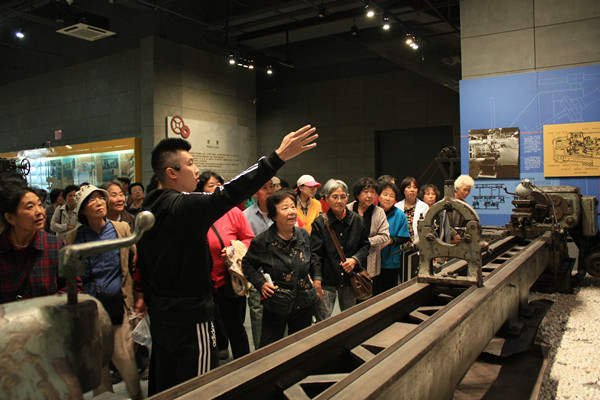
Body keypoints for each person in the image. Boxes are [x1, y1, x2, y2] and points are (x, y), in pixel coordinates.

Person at [137, 124, 317, 395]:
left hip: (162, 313)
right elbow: (231, 192)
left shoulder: (150, 206)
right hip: (190, 314)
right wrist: (277, 157)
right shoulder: (181, 206)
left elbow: (144, 264)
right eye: (190, 163)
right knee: (199, 388)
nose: (196, 170)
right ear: (171, 172)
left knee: (166, 384)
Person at [65, 185, 143, 400]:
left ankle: (137, 396)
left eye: (101, 198)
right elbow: (72, 276)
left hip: (118, 303)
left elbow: (135, 263)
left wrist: (140, 296)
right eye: (92, 200)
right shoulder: (73, 237)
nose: (99, 202)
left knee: (125, 359)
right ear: (82, 209)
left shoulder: (121, 229)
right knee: (98, 366)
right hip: (89, 310)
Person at [243, 189, 318, 347]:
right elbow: (247, 265)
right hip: (277, 303)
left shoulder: (303, 235)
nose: (291, 212)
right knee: (270, 348)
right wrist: (261, 283)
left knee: (301, 346)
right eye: (285, 208)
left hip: (304, 302)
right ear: (274, 215)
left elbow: (313, 259)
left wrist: (317, 279)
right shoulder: (262, 241)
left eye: (293, 207)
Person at [200, 170, 253, 360]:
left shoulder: (233, 212)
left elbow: (248, 238)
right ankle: (217, 355)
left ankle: (243, 362)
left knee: (235, 324)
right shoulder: (197, 213)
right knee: (209, 325)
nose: (217, 189)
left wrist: (233, 249)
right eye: (211, 186)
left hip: (230, 279)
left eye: (219, 185)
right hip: (204, 281)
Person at [310, 179, 370, 321]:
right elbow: (315, 254)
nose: (339, 201)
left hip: (350, 279)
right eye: (335, 197)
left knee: (349, 319)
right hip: (327, 279)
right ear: (327, 199)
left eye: (343, 197)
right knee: (323, 320)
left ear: (347, 198)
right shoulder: (319, 223)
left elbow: (365, 245)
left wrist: (354, 260)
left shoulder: (357, 220)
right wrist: (317, 279)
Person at [0, 184, 66, 304]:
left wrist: (49, 308)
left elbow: (71, 287)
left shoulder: (55, 245)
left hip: (49, 314)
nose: (40, 211)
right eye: (30, 207)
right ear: (10, 218)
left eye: (40, 205)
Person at [243, 179, 275, 348]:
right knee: (258, 317)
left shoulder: (280, 211)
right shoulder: (246, 216)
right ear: (256, 192)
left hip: (280, 273)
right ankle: (259, 354)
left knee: (280, 316)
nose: (270, 191)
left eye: (272, 187)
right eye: (264, 187)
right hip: (257, 275)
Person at [347, 177, 389, 294]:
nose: (370, 195)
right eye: (366, 192)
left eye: (373, 192)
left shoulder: (379, 212)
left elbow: (385, 236)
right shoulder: (348, 209)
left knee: (369, 294)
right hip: (350, 260)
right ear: (357, 194)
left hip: (371, 259)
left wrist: (366, 242)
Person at [377, 181, 411, 293]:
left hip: (390, 261)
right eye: (385, 194)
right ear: (378, 196)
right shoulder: (372, 212)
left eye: (392, 196)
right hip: (372, 261)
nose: (388, 198)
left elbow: (405, 237)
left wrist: (390, 241)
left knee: (388, 292)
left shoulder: (400, 215)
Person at [395, 177, 429, 244]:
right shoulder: (397, 207)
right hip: (401, 244)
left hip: (419, 244)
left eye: (415, 187)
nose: (412, 190)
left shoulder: (424, 206)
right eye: (409, 187)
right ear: (403, 190)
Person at [448, 175, 475, 243]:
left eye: (468, 190)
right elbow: (443, 223)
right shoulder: (448, 203)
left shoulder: (465, 206)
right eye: (464, 190)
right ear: (457, 188)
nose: (466, 193)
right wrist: (454, 234)